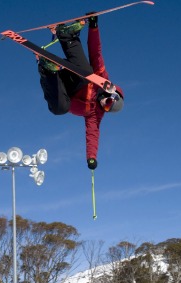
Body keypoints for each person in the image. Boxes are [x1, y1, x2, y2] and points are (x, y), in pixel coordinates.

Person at [37, 13, 124, 170]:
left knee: (60, 109)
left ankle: (47, 69)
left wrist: (91, 158)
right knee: (87, 74)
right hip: (73, 76)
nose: (104, 105)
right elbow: (95, 53)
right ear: (111, 95)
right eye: (108, 102)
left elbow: (92, 136)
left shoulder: (95, 114)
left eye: (106, 108)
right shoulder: (102, 78)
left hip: (59, 89)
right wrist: (94, 27)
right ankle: (67, 36)